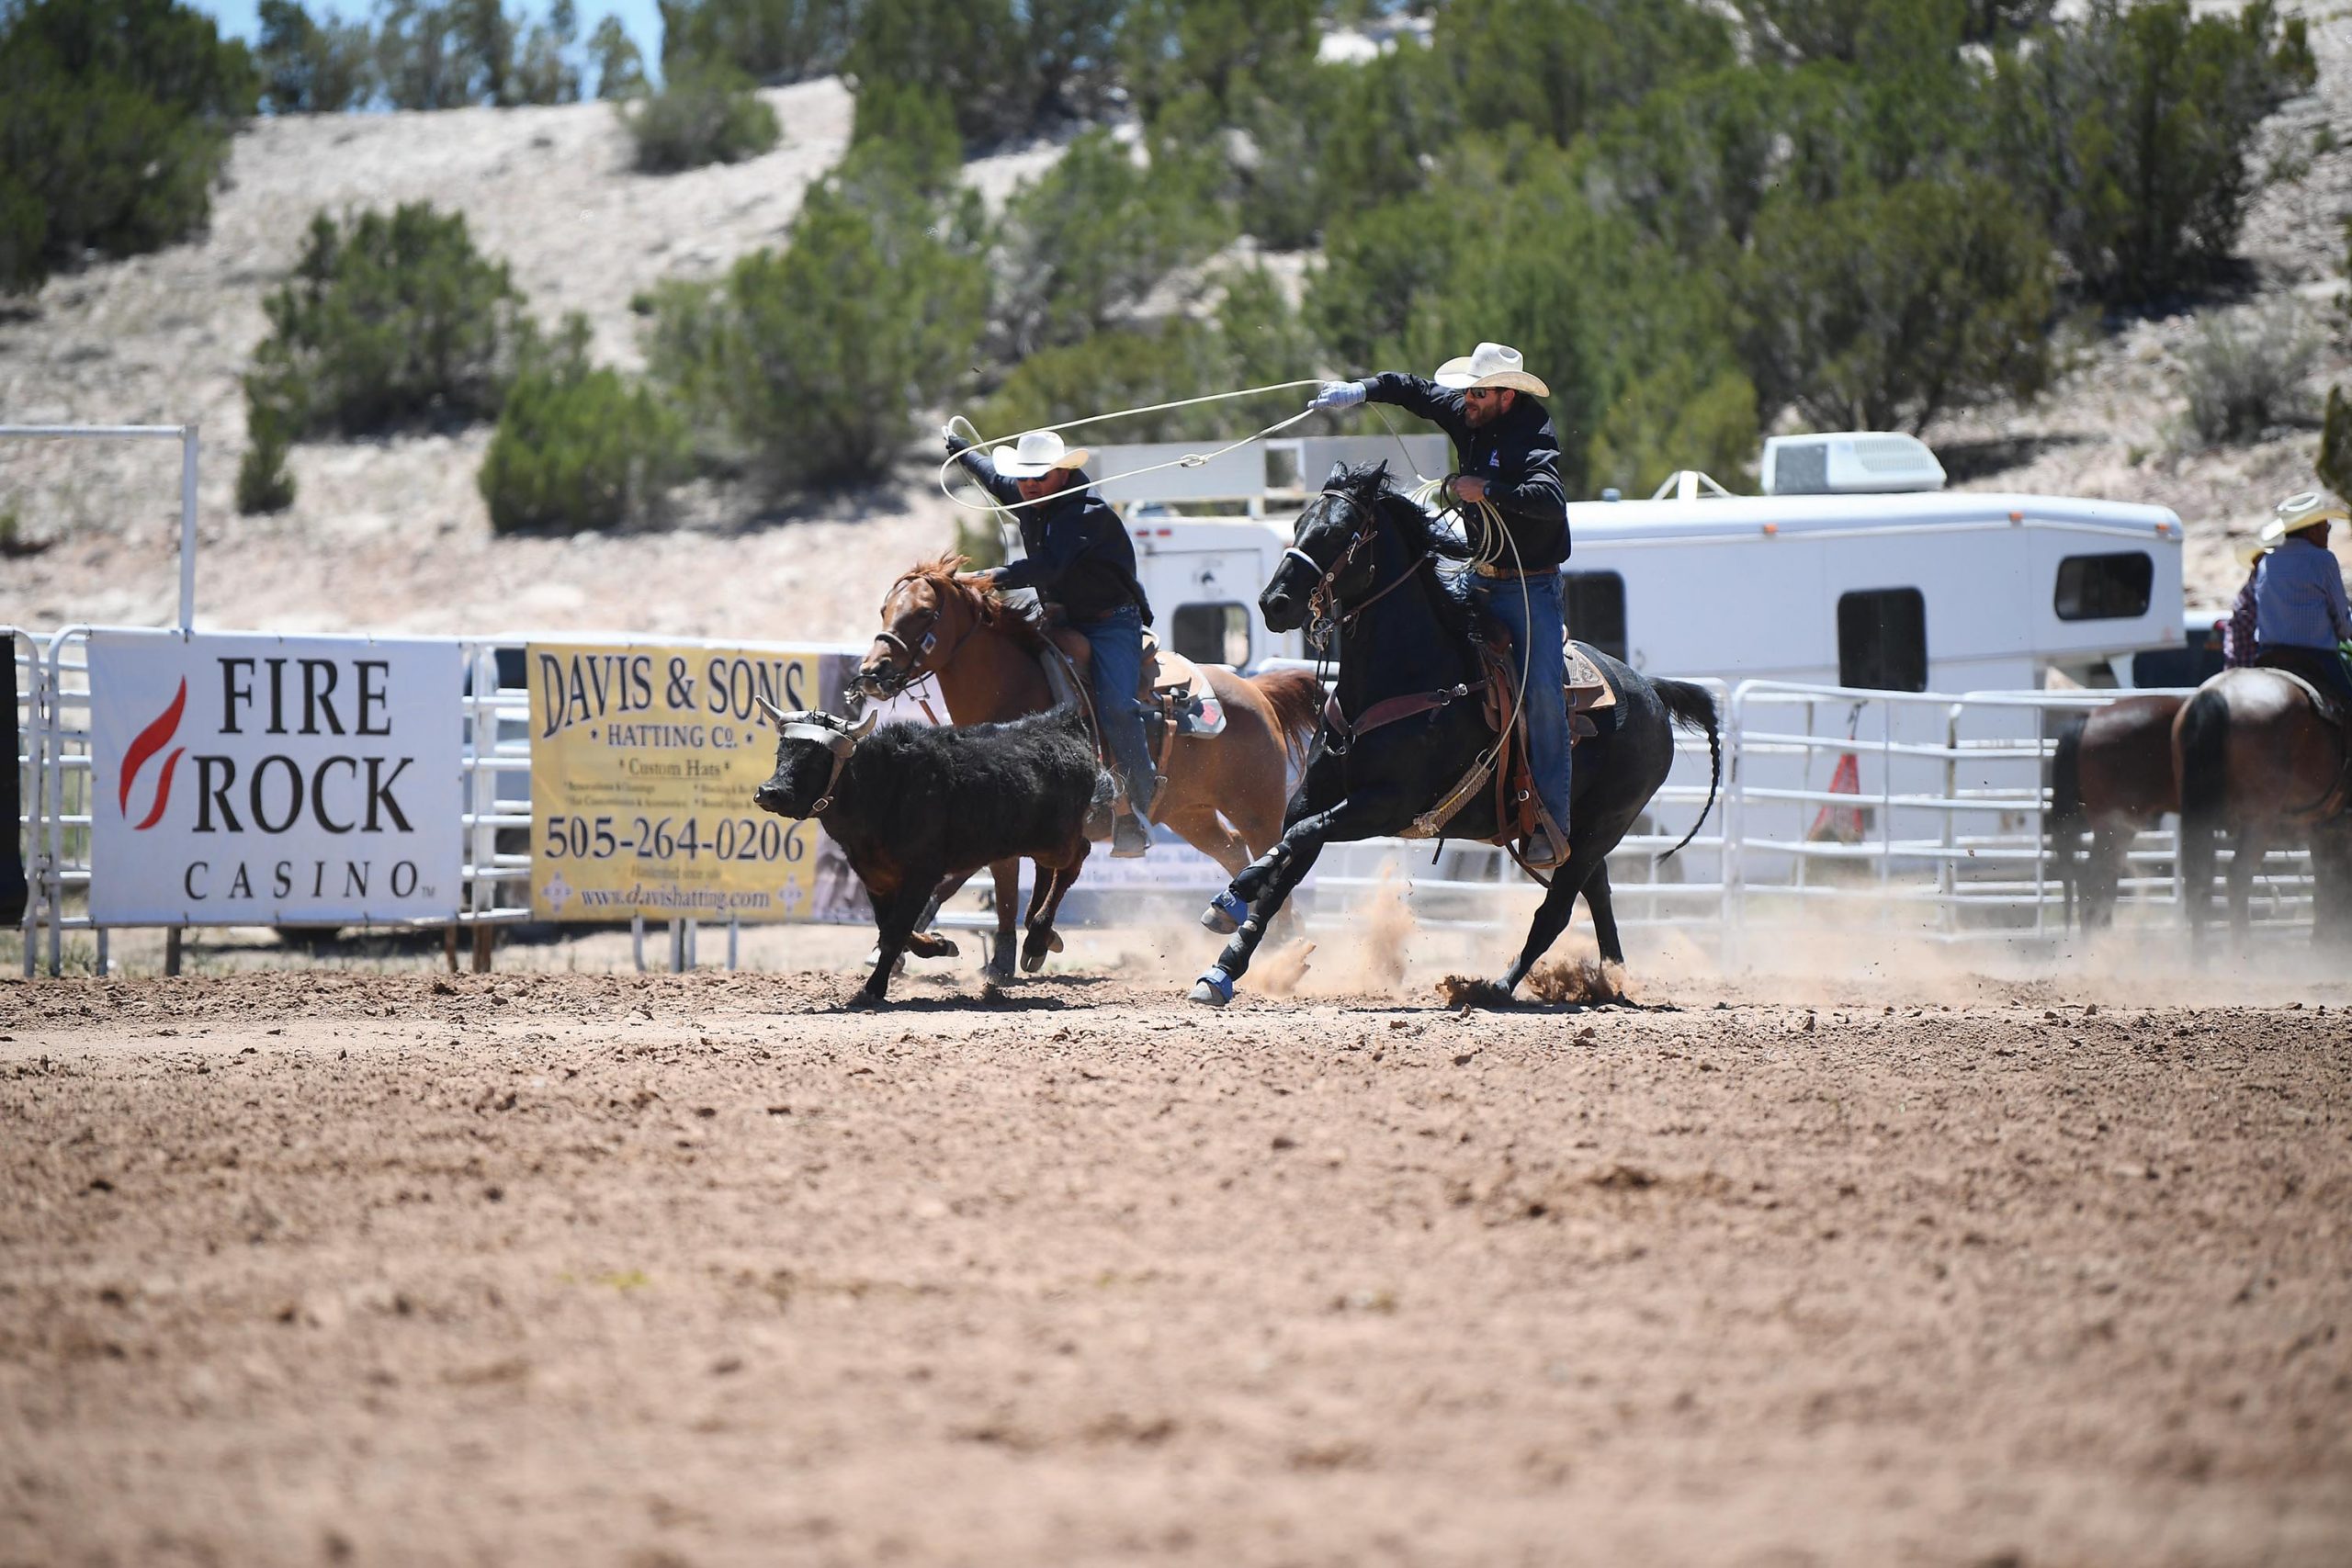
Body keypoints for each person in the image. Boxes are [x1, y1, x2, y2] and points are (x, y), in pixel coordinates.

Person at [1310, 342, 1573, 870]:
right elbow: (1414, 391)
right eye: (1467, 391)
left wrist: (1488, 489)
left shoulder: (1533, 432)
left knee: (1542, 693)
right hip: (1479, 573)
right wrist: (1364, 390)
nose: (1466, 400)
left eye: (1478, 392)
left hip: (1529, 587)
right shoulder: (1468, 412)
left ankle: (1552, 820)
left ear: (1505, 395)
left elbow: (1550, 499)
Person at [944, 425, 1159, 856]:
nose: (1028, 485)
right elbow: (993, 476)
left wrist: (985, 578)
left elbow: (1050, 566)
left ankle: (1141, 792)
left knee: (1117, 705)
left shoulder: (1087, 512)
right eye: (1024, 477)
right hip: (1062, 618)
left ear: (1062, 473)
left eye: (1037, 477)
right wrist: (963, 451)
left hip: (1111, 621)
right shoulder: (1031, 492)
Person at [2252, 491, 2352, 711]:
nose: (2327, 533)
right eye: (2326, 527)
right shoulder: (2323, 560)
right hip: (2315, 657)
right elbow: (2343, 624)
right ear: (2313, 529)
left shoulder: (2267, 561)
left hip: (2267, 655)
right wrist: (2346, 632)